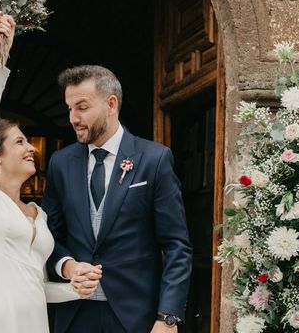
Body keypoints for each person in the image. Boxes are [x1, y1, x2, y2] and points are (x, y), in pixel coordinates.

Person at [0, 14, 100, 333]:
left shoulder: (39, 215)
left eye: (28, 141)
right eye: (20, 141)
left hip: (31, 323)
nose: (31, 148)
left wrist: (74, 288)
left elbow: (36, 286)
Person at [42, 65, 193, 333]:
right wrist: (67, 267)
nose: (73, 118)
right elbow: (49, 236)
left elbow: (176, 245)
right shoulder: (60, 164)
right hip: (75, 315)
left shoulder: (154, 160)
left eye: (82, 107)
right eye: (69, 108)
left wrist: (168, 316)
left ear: (111, 104)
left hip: (135, 317)